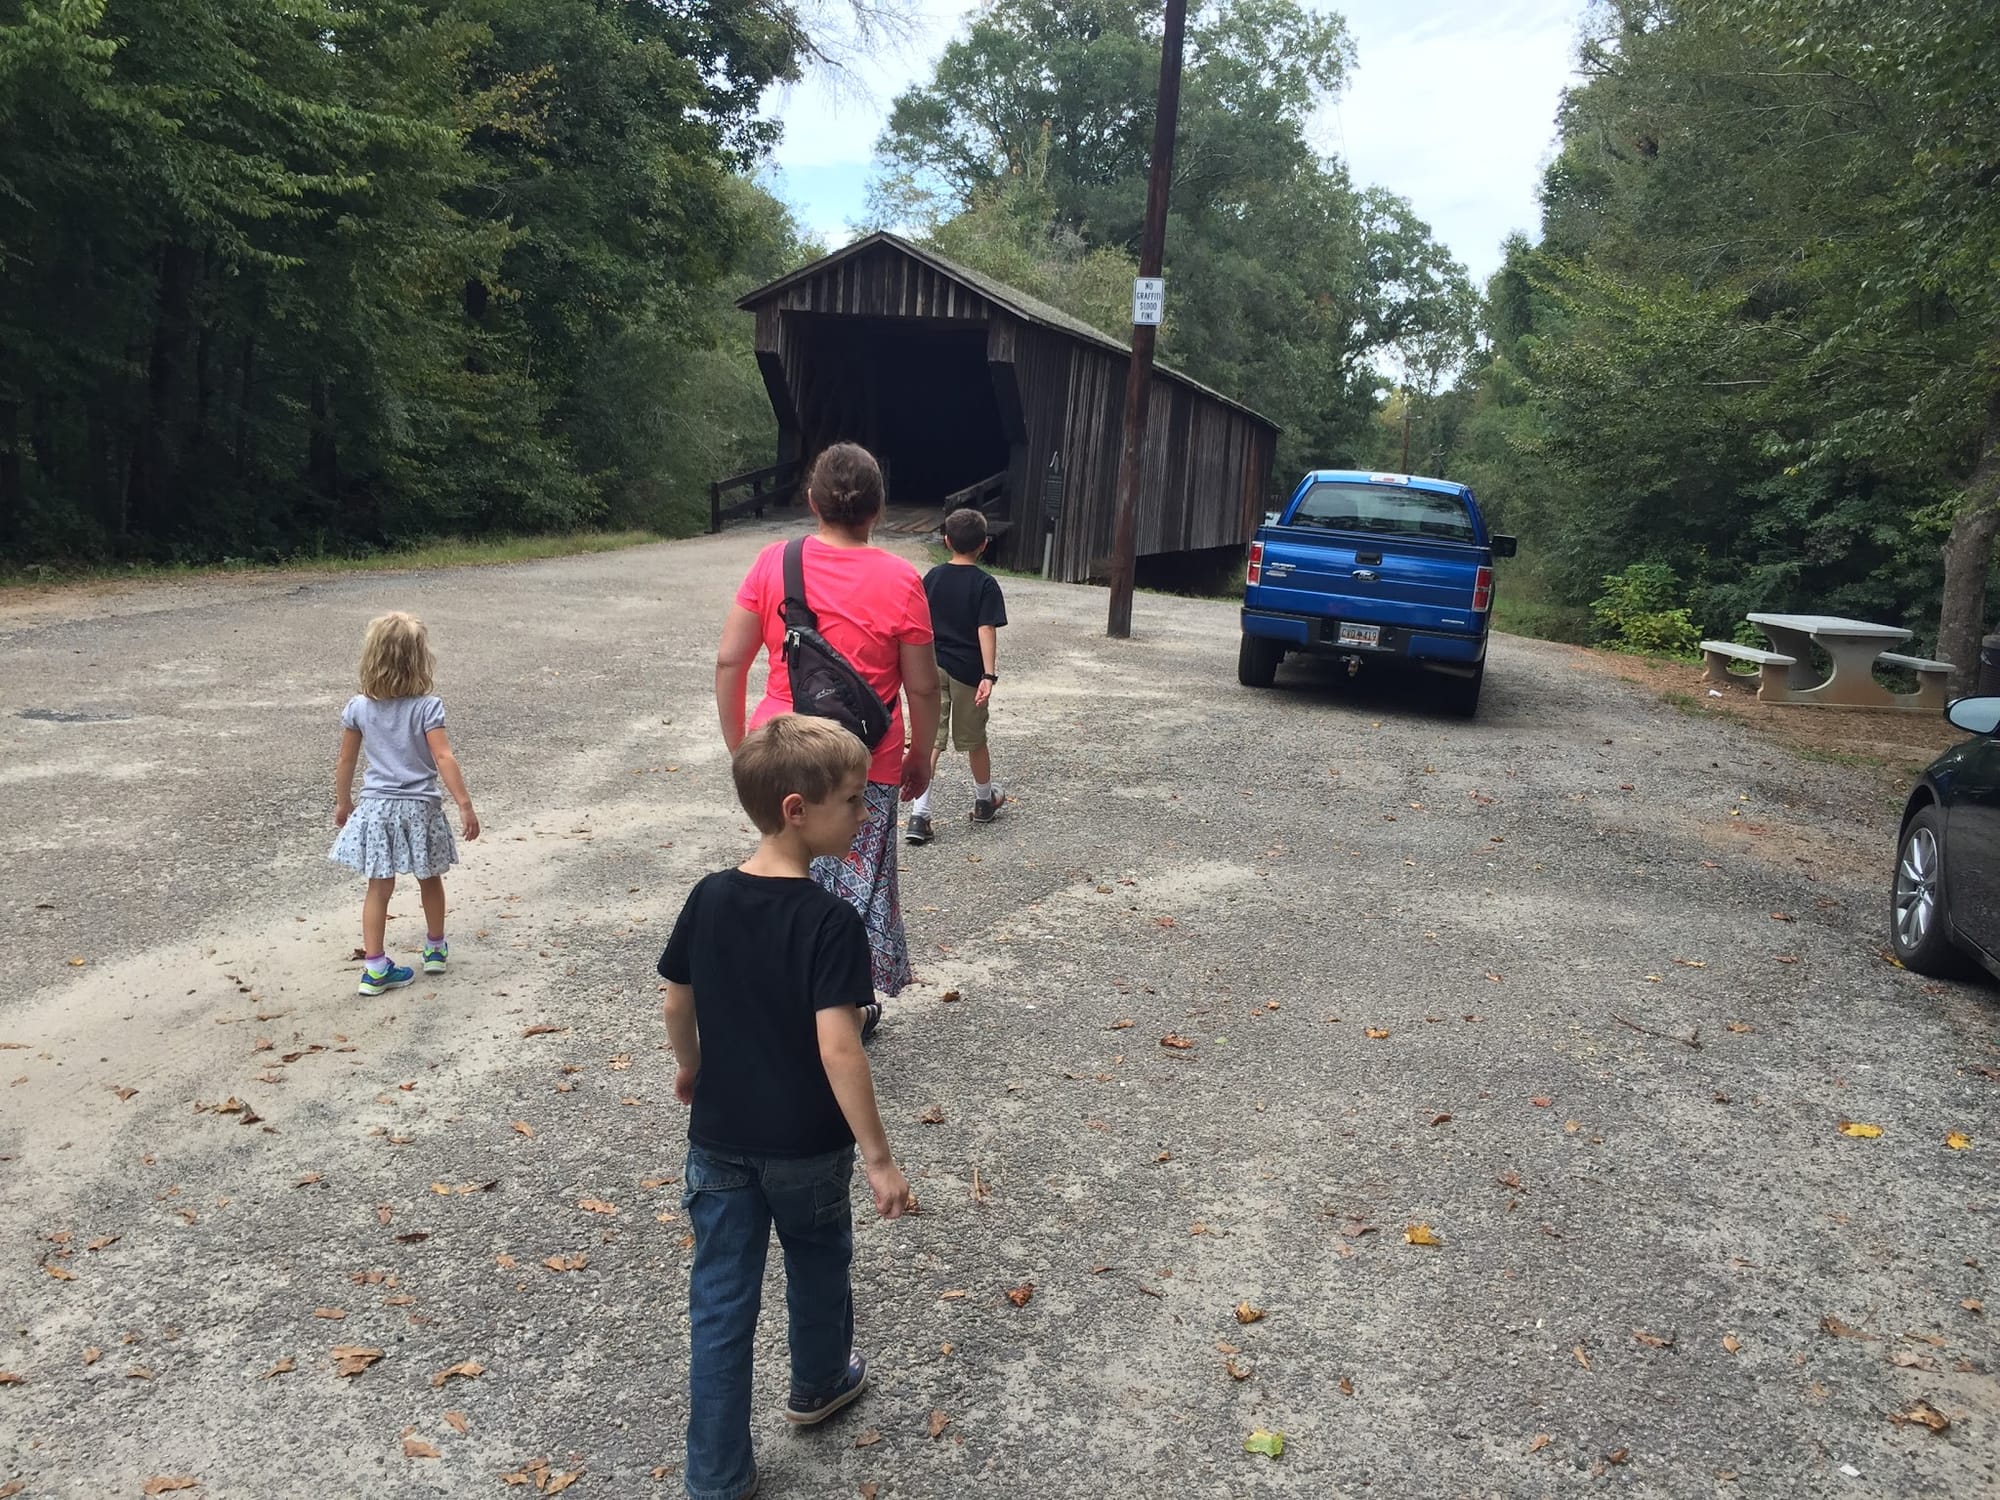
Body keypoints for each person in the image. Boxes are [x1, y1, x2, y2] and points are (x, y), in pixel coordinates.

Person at [661, 715, 916, 1500]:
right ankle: (817, 1384)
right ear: (798, 809)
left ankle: (715, 1475)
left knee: (721, 1300)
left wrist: (691, 1068)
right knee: (815, 1261)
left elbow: (677, 998)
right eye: (852, 800)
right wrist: (879, 1158)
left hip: (721, 1139)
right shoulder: (830, 921)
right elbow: (840, 1048)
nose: (867, 814)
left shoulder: (709, 896)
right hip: (806, 1145)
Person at [715, 442, 940, 1025]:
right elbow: (920, 687)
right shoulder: (901, 579)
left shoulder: (773, 562)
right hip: (866, 760)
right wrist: (921, 754)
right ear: (879, 510)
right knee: (856, 887)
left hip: (781, 750)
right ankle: (841, 1009)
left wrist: (742, 743)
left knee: (786, 873)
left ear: (812, 501)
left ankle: (780, 990)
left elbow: (729, 662)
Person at [329, 611, 479, 995]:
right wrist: (463, 803)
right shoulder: (427, 707)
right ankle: (434, 948)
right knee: (430, 877)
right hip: (420, 808)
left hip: (377, 809)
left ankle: (375, 967)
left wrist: (343, 802)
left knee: (379, 886)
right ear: (419, 660)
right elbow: (443, 757)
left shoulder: (359, 707)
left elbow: (346, 760)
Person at [905, 506, 1008, 844]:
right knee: (974, 740)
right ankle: (983, 800)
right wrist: (988, 675)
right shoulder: (985, 584)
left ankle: (919, 816)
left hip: (932, 667)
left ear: (947, 540)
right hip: (967, 672)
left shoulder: (931, 578)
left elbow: (918, 625)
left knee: (931, 740)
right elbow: (985, 628)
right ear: (984, 545)